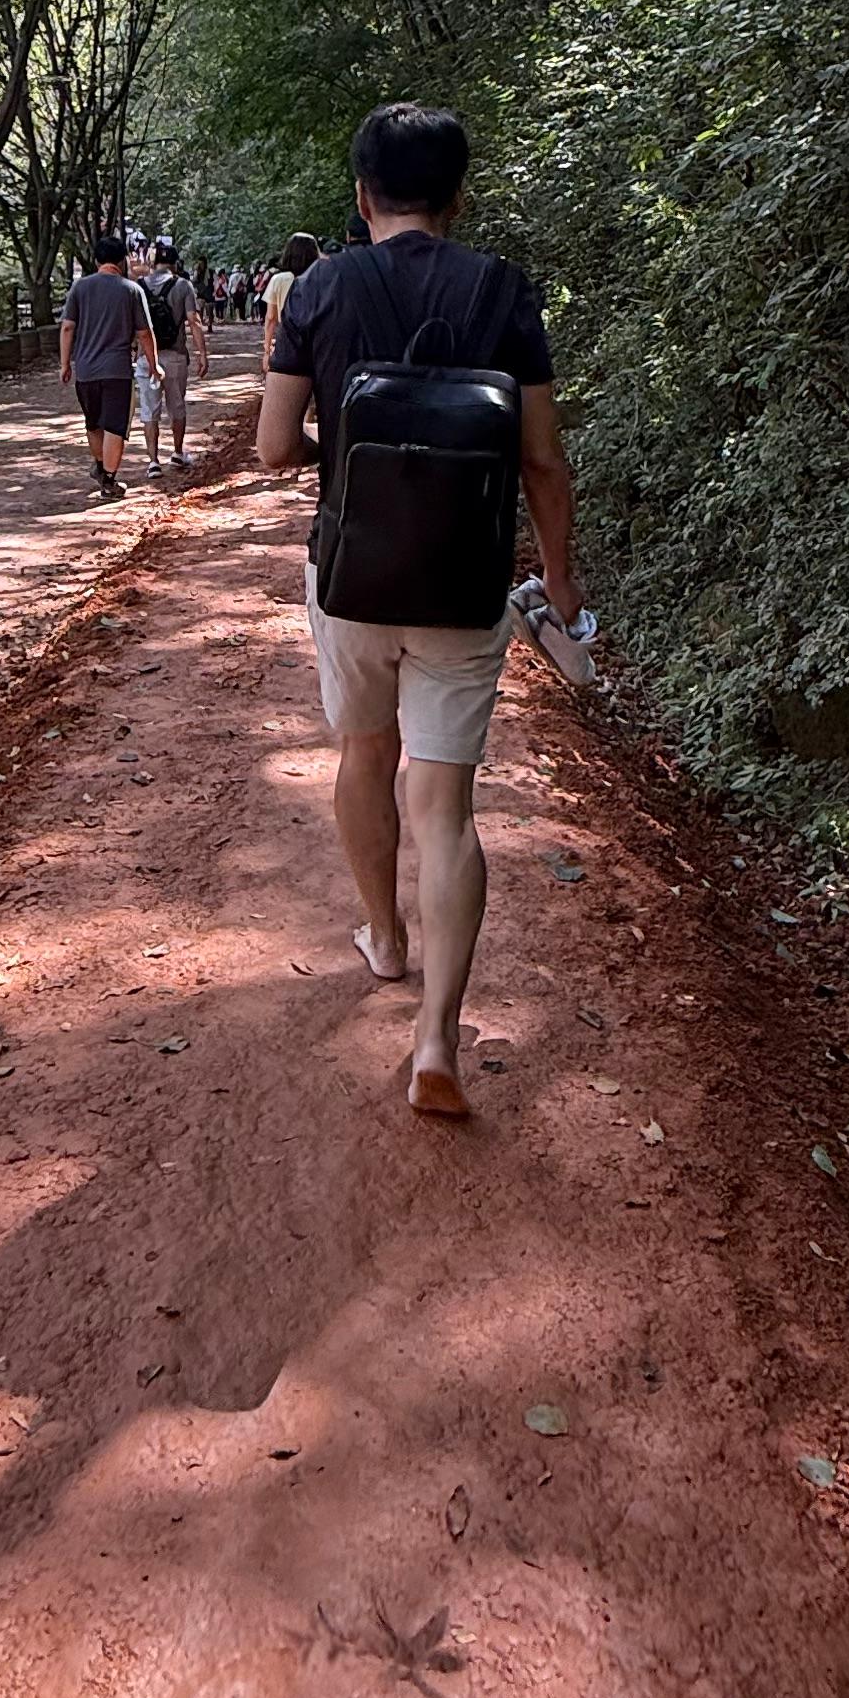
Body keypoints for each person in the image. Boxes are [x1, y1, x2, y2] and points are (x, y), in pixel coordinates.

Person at [257, 104, 580, 1118]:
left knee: (363, 753)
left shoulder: (320, 286)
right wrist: (561, 580)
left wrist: (349, 464)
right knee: (445, 807)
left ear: (361, 198)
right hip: (465, 579)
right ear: (458, 197)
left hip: (352, 575)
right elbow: (539, 458)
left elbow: (272, 448)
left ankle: (385, 942)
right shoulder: (503, 290)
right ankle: (438, 1036)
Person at [59, 229, 158, 500]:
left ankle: (101, 467)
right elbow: (144, 333)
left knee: (93, 423)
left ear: (95, 260)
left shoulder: (80, 287)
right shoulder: (131, 290)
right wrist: (154, 364)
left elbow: (68, 327)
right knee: (115, 425)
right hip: (117, 370)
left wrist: (65, 363)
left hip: (86, 370)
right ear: (123, 261)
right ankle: (109, 481)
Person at [140, 236, 209, 471]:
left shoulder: (139, 286)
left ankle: (152, 461)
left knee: (150, 410)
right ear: (175, 264)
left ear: (154, 264)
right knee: (177, 406)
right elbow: (194, 320)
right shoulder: (183, 286)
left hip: (146, 357)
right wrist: (202, 354)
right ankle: (178, 453)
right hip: (176, 355)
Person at [260, 231, 319, 377]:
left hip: (287, 340)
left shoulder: (278, 280)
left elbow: (271, 318)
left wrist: (267, 350)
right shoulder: (321, 277)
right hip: (317, 339)